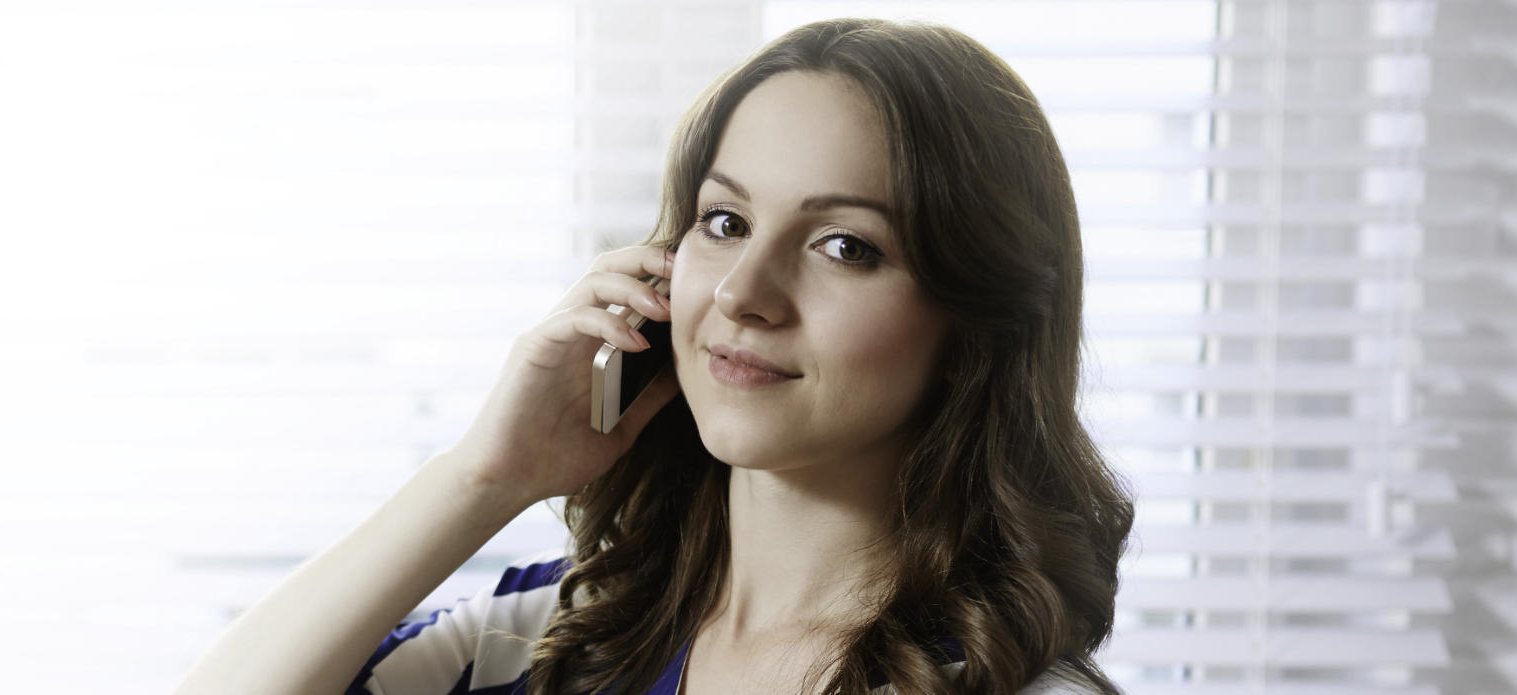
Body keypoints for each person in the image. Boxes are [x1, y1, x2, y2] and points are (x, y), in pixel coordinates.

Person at [174, 17, 1134, 695]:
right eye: (724, 221)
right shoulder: (547, 639)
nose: (742, 293)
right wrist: (484, 476)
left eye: (847, 245)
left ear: (976, 322)